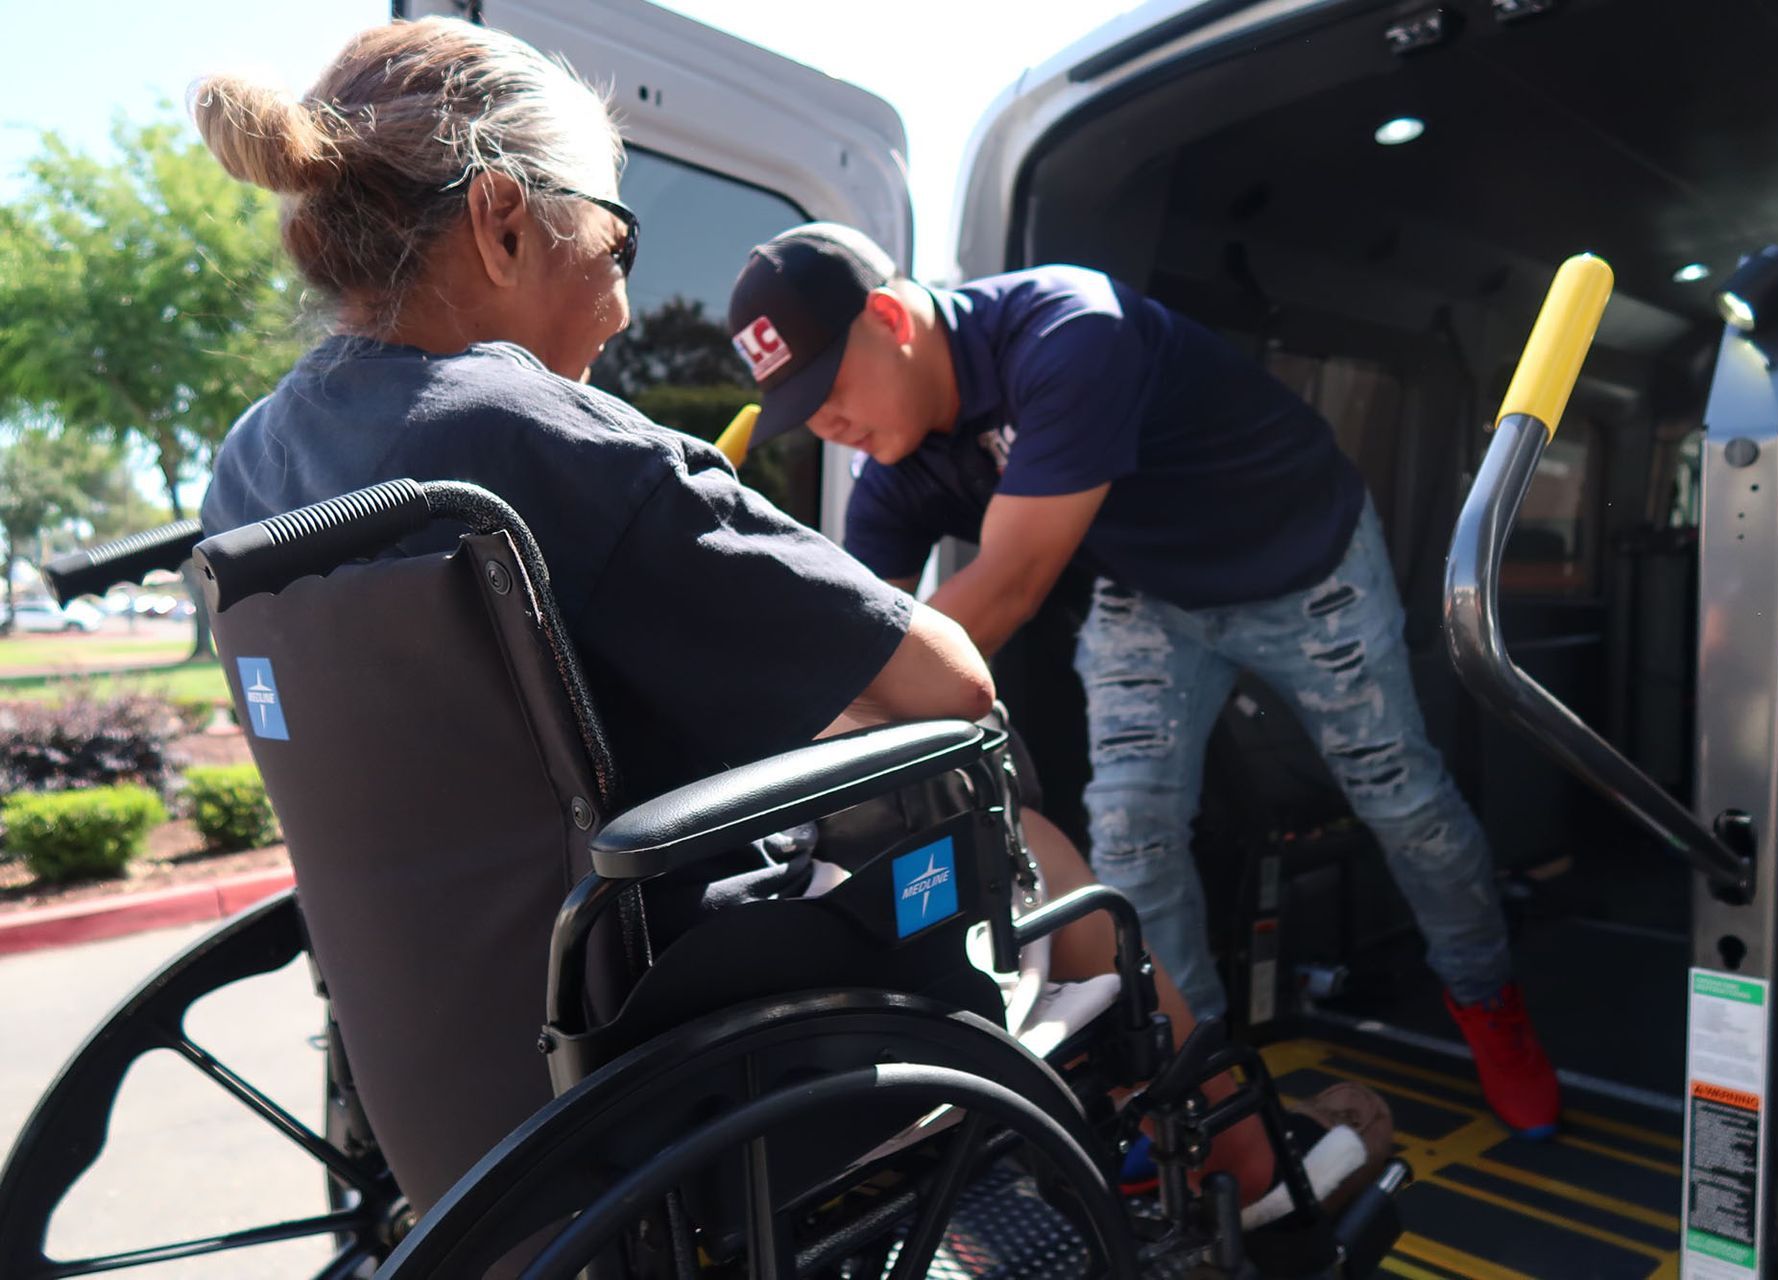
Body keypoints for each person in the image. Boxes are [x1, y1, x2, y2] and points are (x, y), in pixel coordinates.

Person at [189, 15, 1387, 1231]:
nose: (619, 305)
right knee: (1037, 846)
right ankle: (1256, 1177)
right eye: (616, 241)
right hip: (670, 1076)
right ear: (504, 221)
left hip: (463, 1127)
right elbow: (955, 685)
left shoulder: (248, 475)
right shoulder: (540, 436)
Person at [725, 222, 1561, 1137]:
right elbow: (866, 648)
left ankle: (1487, 998)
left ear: (890, 317)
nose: (826, 426)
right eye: (802, 409)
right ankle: (1201, 1100)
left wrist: (840, 721)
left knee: (1400, 797)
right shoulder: (894, 464)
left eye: (830, 387)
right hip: (1150, 595)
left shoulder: (1068, 331)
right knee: (1129, 837)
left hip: (1306, 560)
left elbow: (1008, 589)